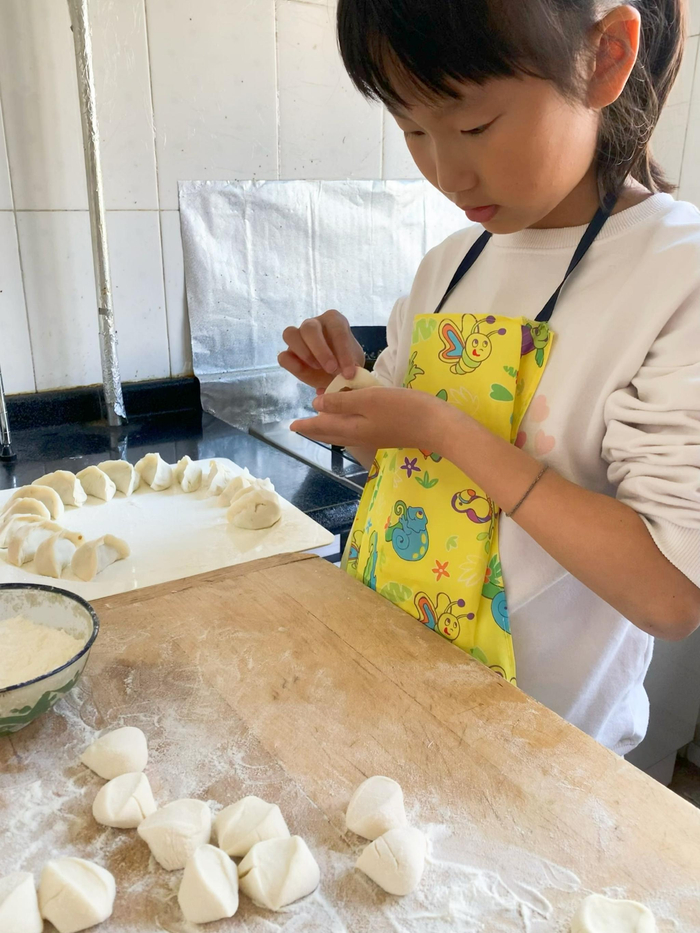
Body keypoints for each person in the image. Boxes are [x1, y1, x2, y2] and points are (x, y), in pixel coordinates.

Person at [278, 0, 700, 756]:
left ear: (604, 58)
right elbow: (407, 475)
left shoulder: (676, 274)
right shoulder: (448, 264)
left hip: (547, 757)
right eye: (411, 129)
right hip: (395, 695)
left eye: (473, 126)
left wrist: (444, 428)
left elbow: (670, 595)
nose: (447, 171)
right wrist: (352, 397)